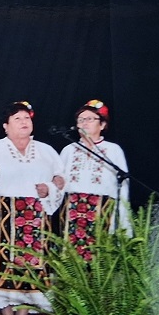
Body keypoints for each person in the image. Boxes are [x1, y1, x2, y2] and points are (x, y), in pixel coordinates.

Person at [0, 101, 64, 315]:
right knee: (2, 265)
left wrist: (49, 187)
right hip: (3, 214)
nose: (23, 122)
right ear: (6, 126)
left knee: (31, 267)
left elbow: (60, 179)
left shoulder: (46, 150)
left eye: (26, 118)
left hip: (36, 218)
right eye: (17, 118)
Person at [57, 100, 130, 259]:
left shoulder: (113, 150)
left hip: (102, 212)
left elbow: (123, 187)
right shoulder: (68, 150)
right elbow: (58, 184)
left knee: (98, 261)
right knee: (71, 261)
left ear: (102, 125)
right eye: (81, 120)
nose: (84, 123)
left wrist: (122, 220)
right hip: (71, 213)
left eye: (90, 119)